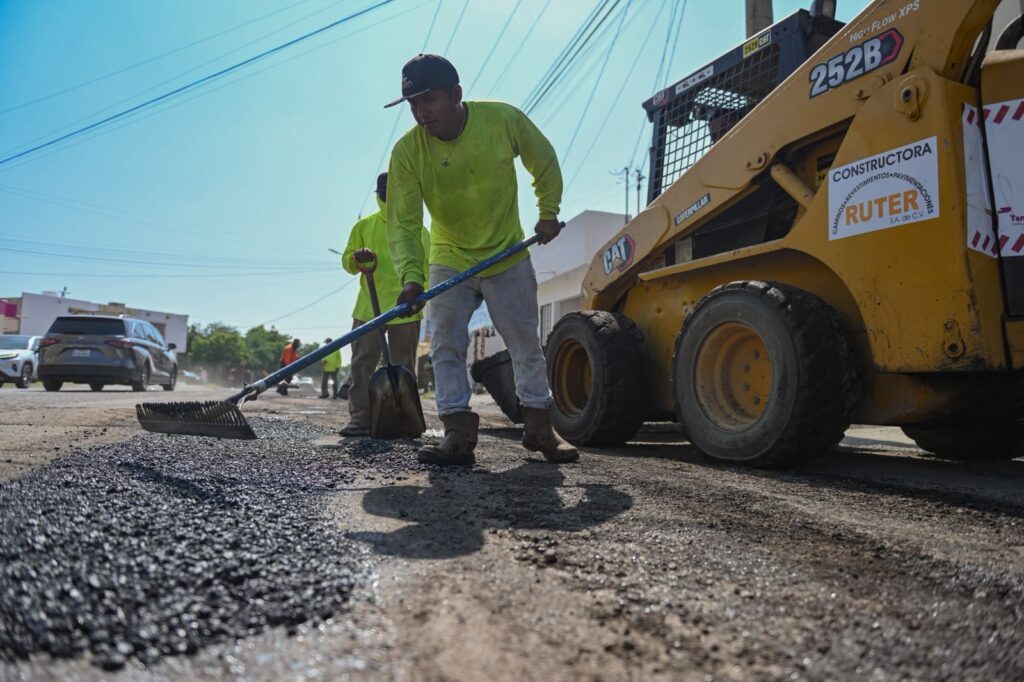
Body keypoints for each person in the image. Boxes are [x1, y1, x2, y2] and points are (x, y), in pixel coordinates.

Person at [385, 53, 578, 466]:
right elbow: (402, 222)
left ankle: (541, 430)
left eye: (429, 100)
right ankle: (456, 432)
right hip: (449, 257)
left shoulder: (502, 120)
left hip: (506, 253)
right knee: (445, 345)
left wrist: (548, 211)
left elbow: (542, 159)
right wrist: (412, 277)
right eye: (413, 104)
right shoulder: (406, 153)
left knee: (525, 343)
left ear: (456, 94)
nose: (421, 112)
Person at [340, 172, 430, 436]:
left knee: (403, 366)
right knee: (362, 363)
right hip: (369, 307)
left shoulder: (416, 230)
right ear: (379, 196)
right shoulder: (364, 227)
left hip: (405, 310)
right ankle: (361, 417)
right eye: (385, 196)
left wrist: (423, 296)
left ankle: (401, 418)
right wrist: (356, 258)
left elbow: (427, 267)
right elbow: (347, 262)